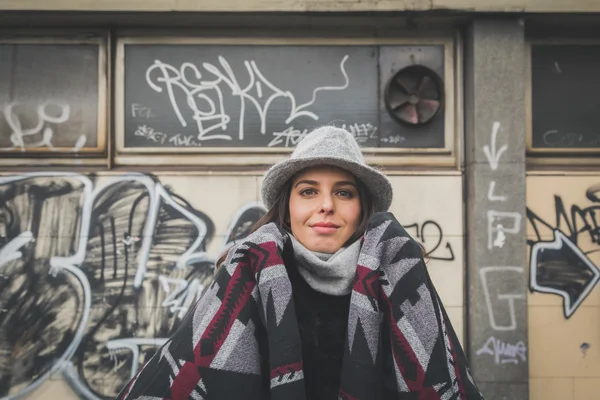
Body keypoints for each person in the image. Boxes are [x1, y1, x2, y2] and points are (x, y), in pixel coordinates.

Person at [116, 126, 484, 400]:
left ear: (362, 210)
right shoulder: (246, 274)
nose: (326, 205)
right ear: (287, 210)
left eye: (343, 192)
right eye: (308, 191)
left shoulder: (399, 275)